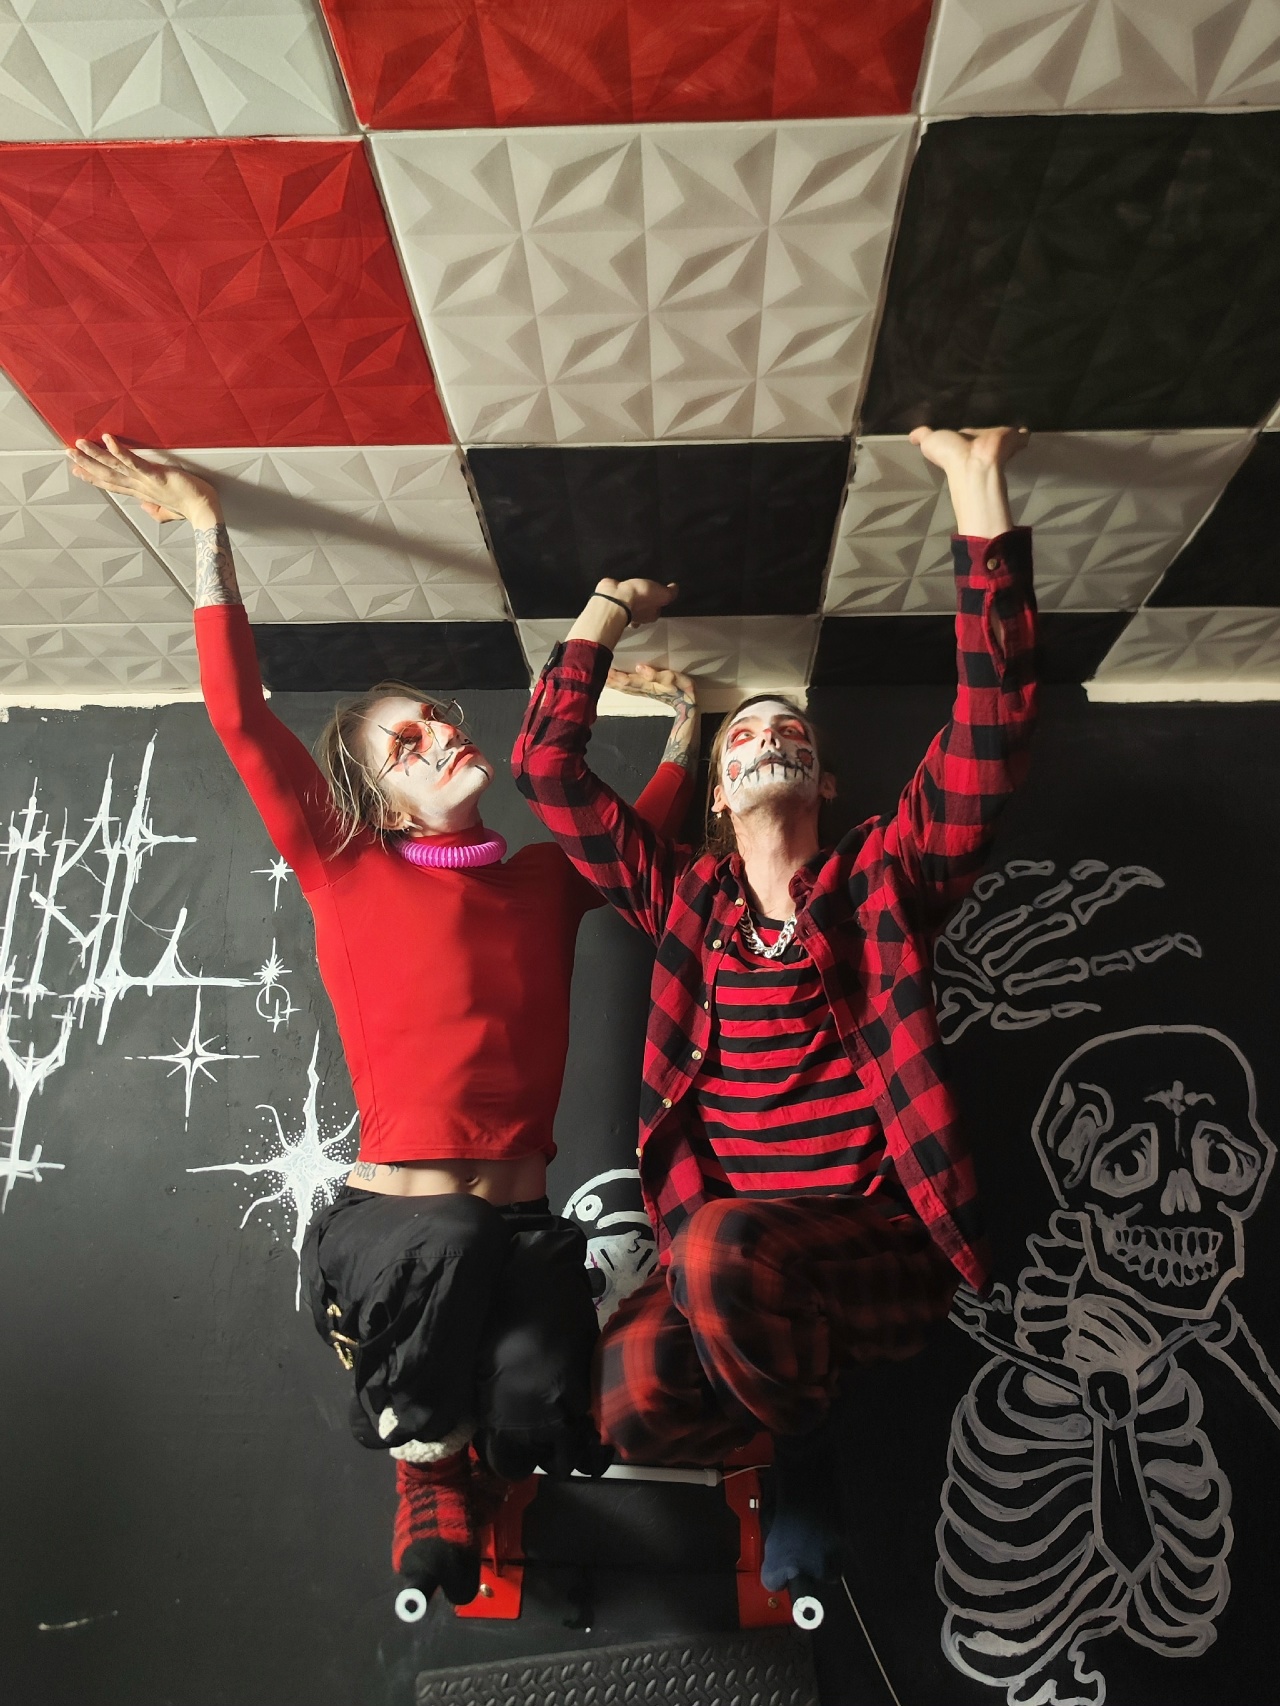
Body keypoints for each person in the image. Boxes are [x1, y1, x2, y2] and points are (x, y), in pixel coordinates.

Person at [66, 435, 697, 1607]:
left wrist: (690, 723)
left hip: (519, 1230)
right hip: (395, 1237)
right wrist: (206, 530)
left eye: (439, 719)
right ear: (378, 798)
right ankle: (419, 1453)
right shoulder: (345, 868)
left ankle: (475, 1445)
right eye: (406, 741)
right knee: (449, 1244)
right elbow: (240, 719)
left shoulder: (539, 882)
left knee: (546, 1419)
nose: (442, 734)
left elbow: (640, 841)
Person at [511, 425, 1036, 1591]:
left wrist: (974, 488)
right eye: (742, 732)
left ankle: (799, 1448)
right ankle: (789, 1398)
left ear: (824, 781)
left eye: (789, 730)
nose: (766, 735)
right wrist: (605, 610)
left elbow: (992, 721)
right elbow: (545, 768)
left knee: (712, 1241)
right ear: (716, 791)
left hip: (873, 1242)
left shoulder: (883, 877)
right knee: (620, 1405)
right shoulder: (681, 899)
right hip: (731, 1273)